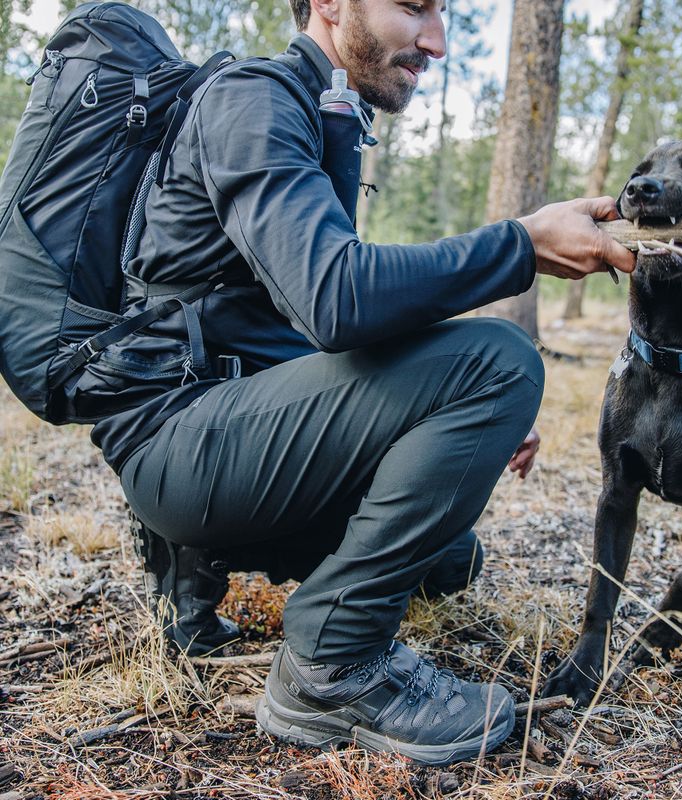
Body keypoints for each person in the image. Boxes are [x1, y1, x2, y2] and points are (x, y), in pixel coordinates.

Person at [92, 0, 636, 764]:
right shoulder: (254, 100)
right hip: (178, 448)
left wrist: (436, 402)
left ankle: (195, 574)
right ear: (328, 4)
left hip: (226, 431)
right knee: (500, 360)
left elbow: (286, 326)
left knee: (451, 558)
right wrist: (520, 246)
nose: (437, 41)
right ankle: (331, 665)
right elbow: (336, 298)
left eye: (444, 13)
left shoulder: (321, 111)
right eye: (413, 7)